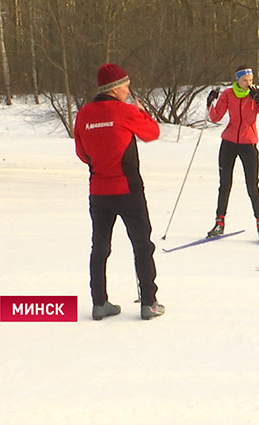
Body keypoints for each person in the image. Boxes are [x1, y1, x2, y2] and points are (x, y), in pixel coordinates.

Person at [74, 63, 165, 320]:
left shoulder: (83, 115)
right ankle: (149, 302)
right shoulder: (124, 111)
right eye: (126, 85)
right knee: (142, 245)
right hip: (128, 190)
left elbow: (82, 153)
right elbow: (152, 133)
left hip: (98, 191)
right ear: (114, 89)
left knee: (100, 246)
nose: (128, 90)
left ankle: (99, 302)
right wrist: (143, 113)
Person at [206, 66, 259, 241]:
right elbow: (215, 117)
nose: (248, 83)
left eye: (250, 80)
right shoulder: (228, 94)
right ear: (237, 80)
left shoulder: (255, 94)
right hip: (228, 143)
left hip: (248, 143)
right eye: (245, 80)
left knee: (252, 185)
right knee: (224, 184)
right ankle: (219, 222)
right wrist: (210, 103)